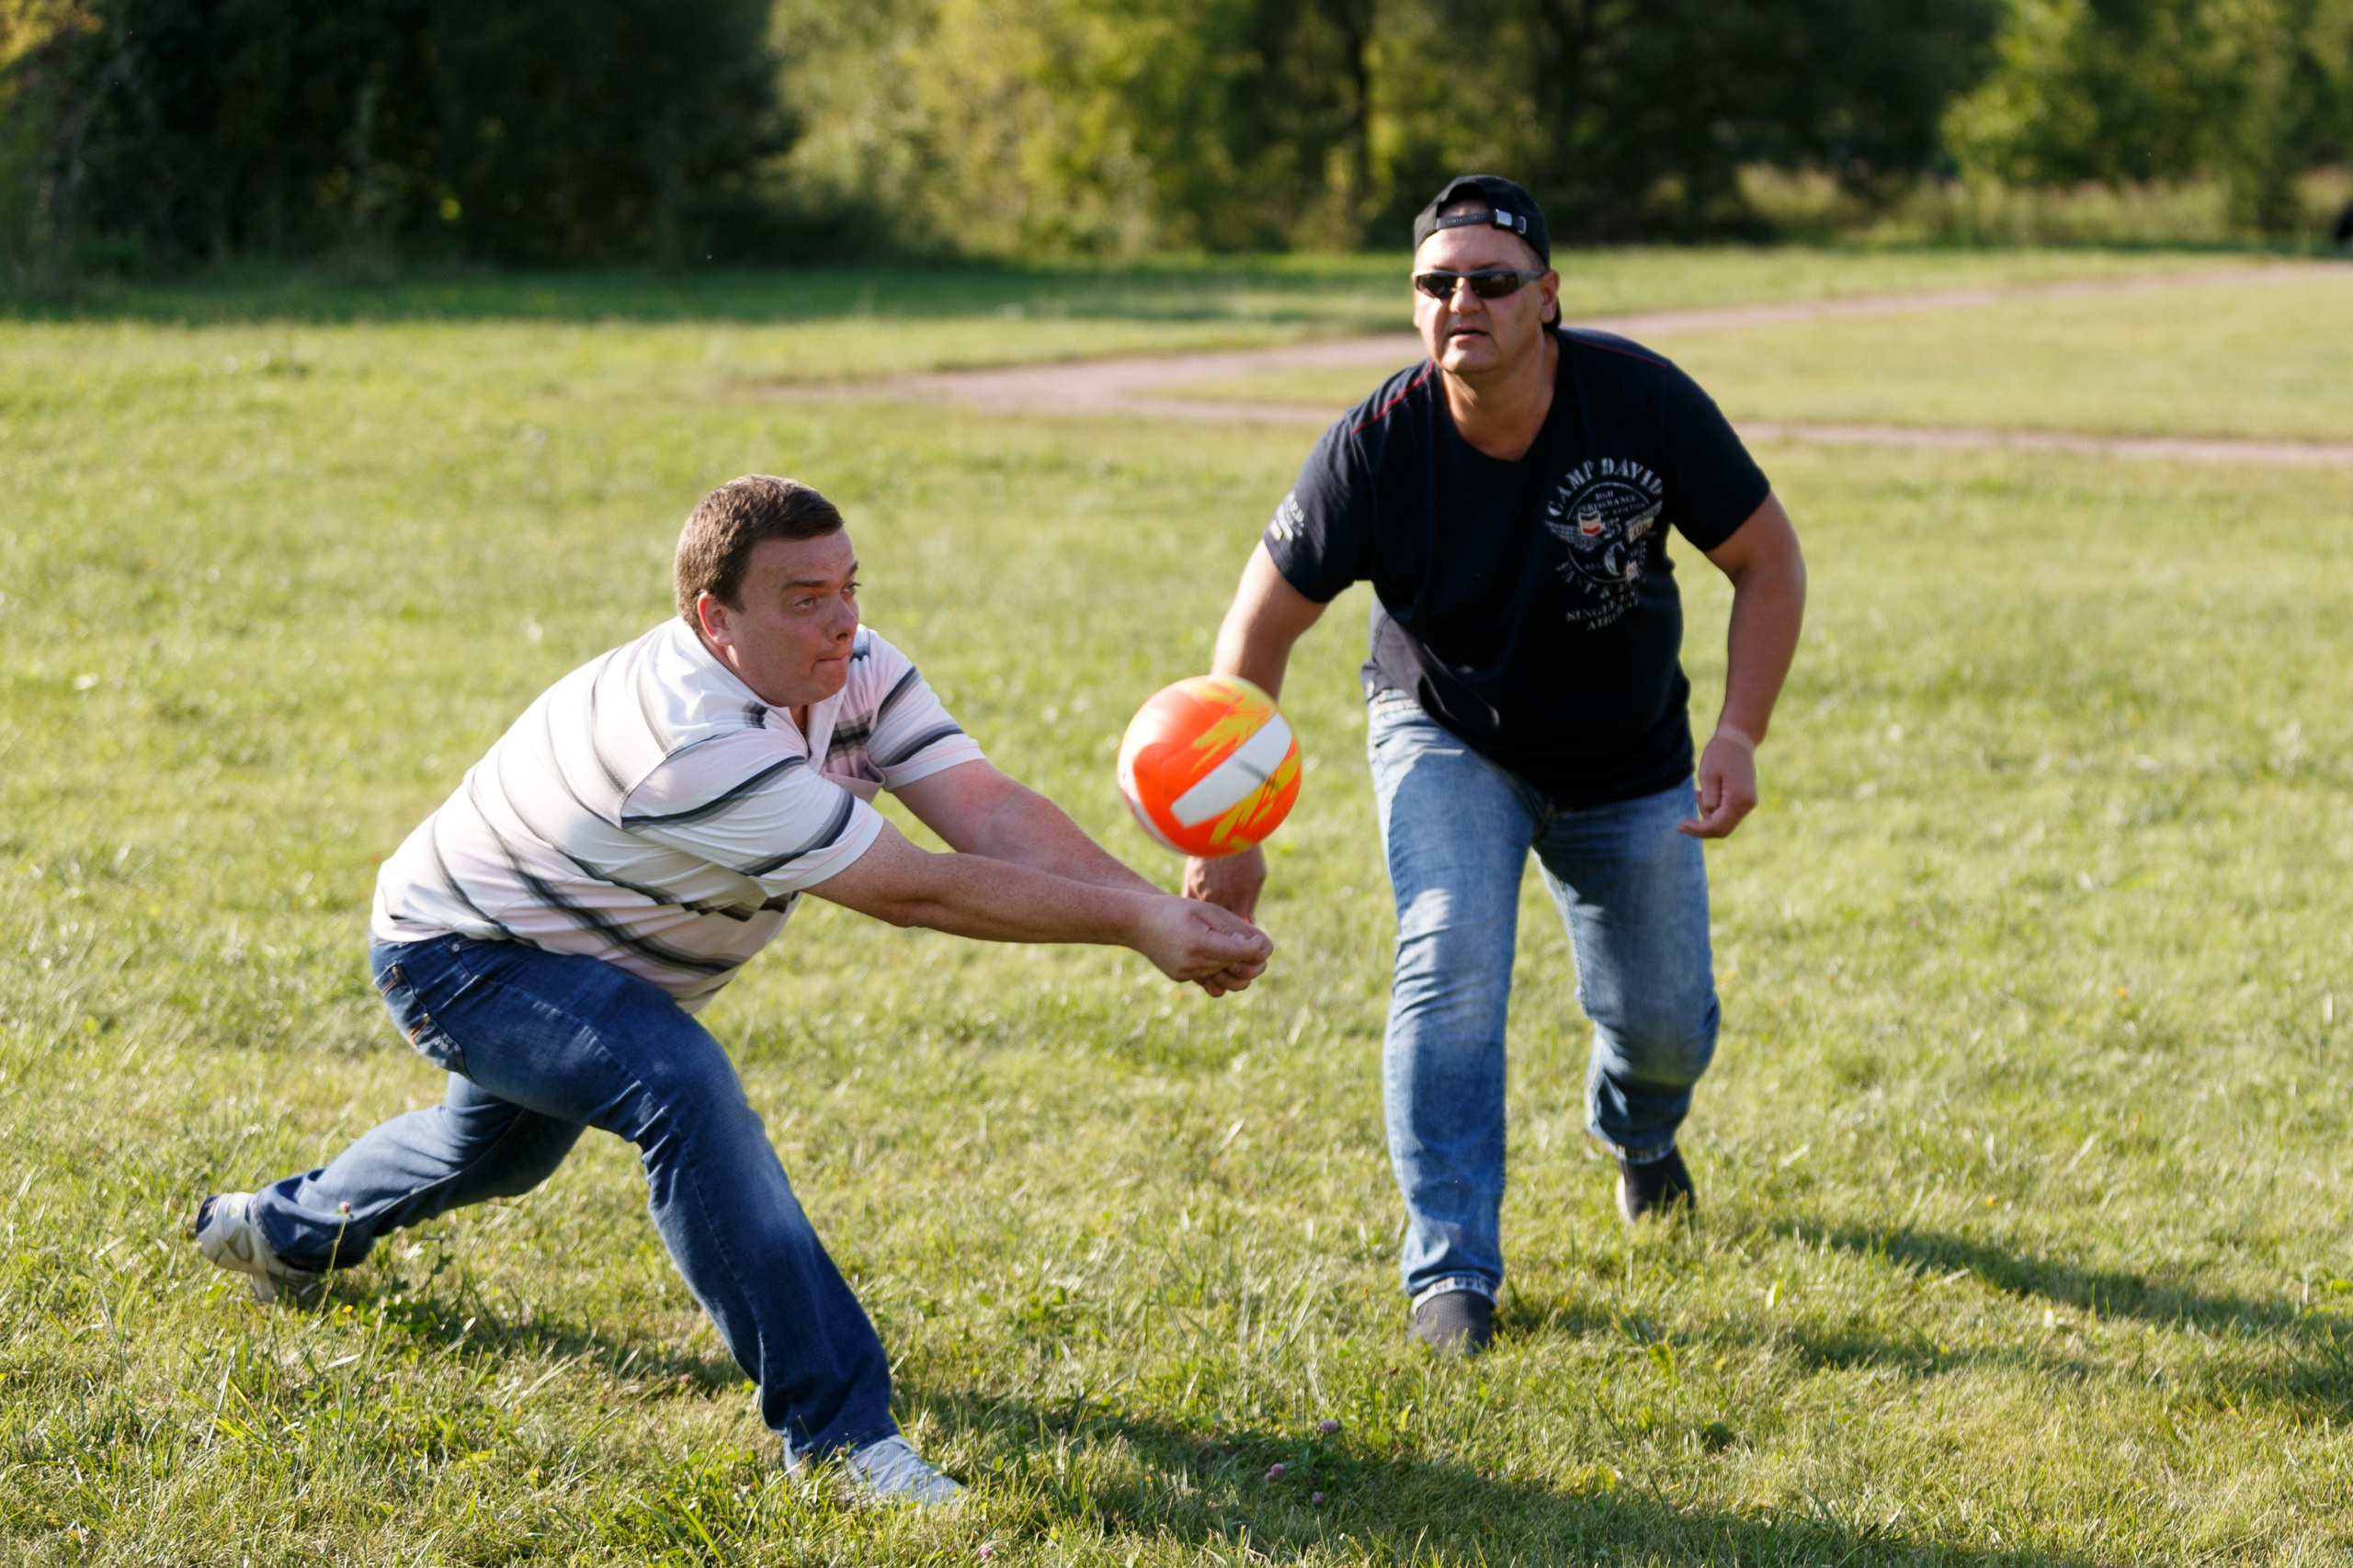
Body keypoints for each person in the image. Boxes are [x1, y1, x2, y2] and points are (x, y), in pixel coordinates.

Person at [193, 475, 1272, 1505]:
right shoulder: (689, 739)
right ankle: (842, 1436)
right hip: (459, 953)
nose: (842, 622)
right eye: (805, 600)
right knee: (681, 1087)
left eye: (851, 587)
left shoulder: (854, 667)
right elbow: (913, 891)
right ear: (716, 620)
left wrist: (1161, 914)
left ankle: (275, 1229)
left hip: (581, 955)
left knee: (488, 1153)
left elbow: (983, 810)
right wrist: (1141, 921)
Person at [1186, 176, 1805, 1355]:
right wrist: (1231, 831)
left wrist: (1737, 735)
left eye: (1490, 279)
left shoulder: (1640, 399)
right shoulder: (1374, 444)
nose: (1460, 298)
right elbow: (1254, 634)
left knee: (1664, 1021)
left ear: (1548, 299)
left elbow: (1768, 561)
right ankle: (1450, 1270)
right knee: (1449, 949)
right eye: (1435, 282)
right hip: (1447, 733)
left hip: (1629, 757)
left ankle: (1638, 1129)